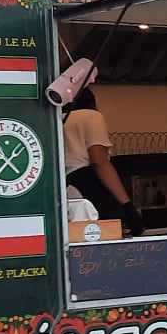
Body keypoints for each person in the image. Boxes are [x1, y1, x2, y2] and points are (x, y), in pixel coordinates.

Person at [62, 81, 140, 232]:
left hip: (65, 186)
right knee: (106, 233)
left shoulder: (57, 119)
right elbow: (99, 161)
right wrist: (127, 205)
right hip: (87, 182)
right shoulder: (91, 117)